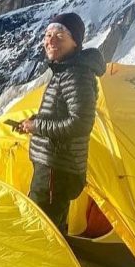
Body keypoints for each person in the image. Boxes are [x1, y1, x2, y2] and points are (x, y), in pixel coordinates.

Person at [16, 12, 105, 232]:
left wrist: (37, 127)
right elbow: (61, 114)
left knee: (41, 230)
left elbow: (80, 123)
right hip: (54, 166)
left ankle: (42, 266)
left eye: (60, 35)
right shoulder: (66, 71)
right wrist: (34, 122)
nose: (51, 40)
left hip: (56, 168)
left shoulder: (76, 74)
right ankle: (55, 262)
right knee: (53, 227)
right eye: (48, 34)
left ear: (75, 42)